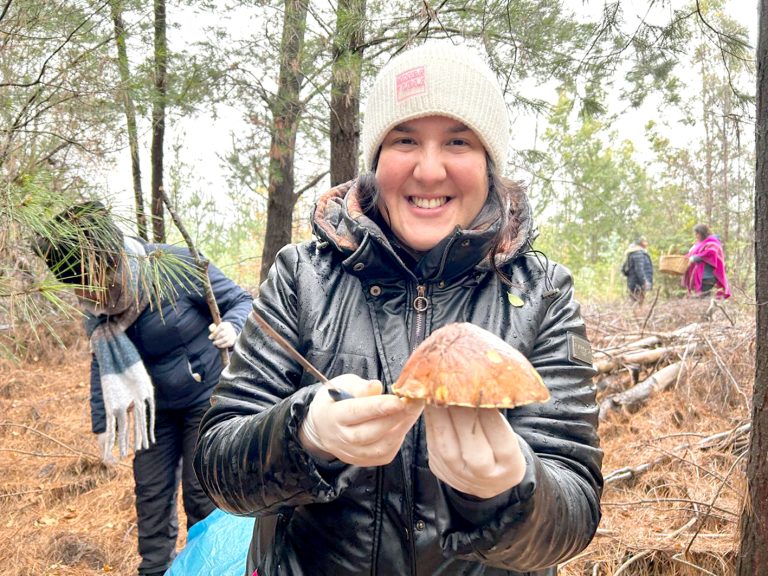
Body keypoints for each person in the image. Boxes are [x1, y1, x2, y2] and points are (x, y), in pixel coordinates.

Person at [194, 41, 602, 576]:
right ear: (377, 159)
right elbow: (219, 463)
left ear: (489, 163)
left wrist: (508, 492)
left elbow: (574, 512)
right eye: (405, 140)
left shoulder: (542, 292)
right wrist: (304, 438)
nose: (429, 171)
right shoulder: (302, 275)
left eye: (458, 141)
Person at [33, 201, 253, 576]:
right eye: (83, 285)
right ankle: (154, 571)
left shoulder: (171, 265)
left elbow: (240, 300)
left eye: (97, 277)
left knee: (202, 494)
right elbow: (100, 362)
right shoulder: (96, 308)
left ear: (112, 258)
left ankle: (209, 566)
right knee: (150, 497)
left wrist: (232, 327)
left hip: (205, 398)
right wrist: (102, 423)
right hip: (154, 411)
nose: (94, 293)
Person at [683, 223, 731, 299]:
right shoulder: (699, 244)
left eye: (697, 233)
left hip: (707, 277)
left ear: (702, 233)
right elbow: (691, 254)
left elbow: (710, 253)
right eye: (695, 233)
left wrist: (694, 258)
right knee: (699, 299)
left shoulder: (712, 242)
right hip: (699, 276)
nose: (696, 235)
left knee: (704, 300)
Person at [621, 235, 653, 304]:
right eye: (645, 241)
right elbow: (639, 270)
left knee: (635, 302)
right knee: (638, 303)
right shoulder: (638, 253)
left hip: (633, 282)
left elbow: (624, 269)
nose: (647, 243)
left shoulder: (633, 253)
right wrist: (644, 282)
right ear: (641, 243)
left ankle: (636, 314)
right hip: (638, 284)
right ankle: (638, 314)